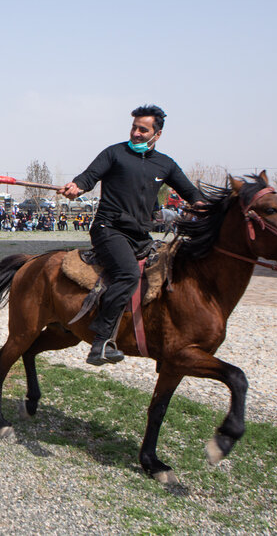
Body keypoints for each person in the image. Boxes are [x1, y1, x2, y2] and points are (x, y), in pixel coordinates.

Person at [59, 105, 202, 366]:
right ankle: (101, 341)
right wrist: (77, 186)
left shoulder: (166, 164)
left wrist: (206, 206)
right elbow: (89, 176)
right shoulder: (114, 153)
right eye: (134, 127)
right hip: (109, 229)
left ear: (157, 134)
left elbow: (191, 193)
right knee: (128, 274)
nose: (136, 133)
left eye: (143, 129)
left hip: (140, 236)